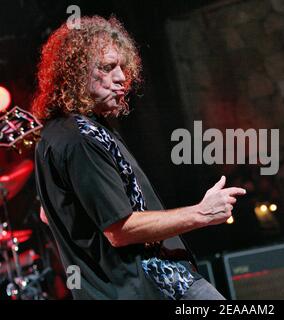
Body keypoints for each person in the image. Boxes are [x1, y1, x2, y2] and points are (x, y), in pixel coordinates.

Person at [32, 16, 246, 300]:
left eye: (122, 67)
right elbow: (119, 229)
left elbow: (48, 214)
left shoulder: (68, 132)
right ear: (74, 74)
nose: (121, 77)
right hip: (154, 285)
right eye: (108, 68)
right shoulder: (80, 138)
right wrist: (203, 213)